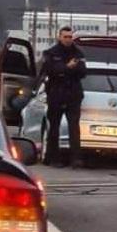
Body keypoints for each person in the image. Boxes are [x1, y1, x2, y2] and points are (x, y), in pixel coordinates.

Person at [42, 26, 87, 168]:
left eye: (70, 37)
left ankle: (76, 159)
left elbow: (82, 72)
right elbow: (51, 70)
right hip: (56, 94)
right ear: (59, 37)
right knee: (54, 127)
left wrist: (66, 70)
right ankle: (53, 158)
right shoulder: (51, 53)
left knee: (74, 127)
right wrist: (67, 68)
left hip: (73, 95)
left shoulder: (78, 53)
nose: (68, 39)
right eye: (65, 37)